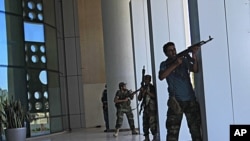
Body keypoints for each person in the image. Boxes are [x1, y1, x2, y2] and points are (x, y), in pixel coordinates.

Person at [158, 42, 202, 141]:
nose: (173, 52)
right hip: (176, 102)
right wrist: (175, 64)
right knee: (172, 134)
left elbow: (195, 69)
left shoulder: (184, 61)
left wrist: (193, 54)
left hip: (190, 100)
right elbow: (161, 76)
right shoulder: (164, 64)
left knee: (196, 132)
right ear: (166, 53)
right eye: (170, 50)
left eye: (174, 49)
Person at [138, 75, 158, 141]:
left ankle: (155, 137)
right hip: (145, 108)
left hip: (151, 109)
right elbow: (139, 98)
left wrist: (147, 92)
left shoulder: (151, 87)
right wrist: (141, 92)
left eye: (147, 79)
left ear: (149, 80)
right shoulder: (143, 87)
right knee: (145, 124)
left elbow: (154, 96)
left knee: (152, 124)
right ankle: (146, 138)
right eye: (145, 79)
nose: (145, 81)